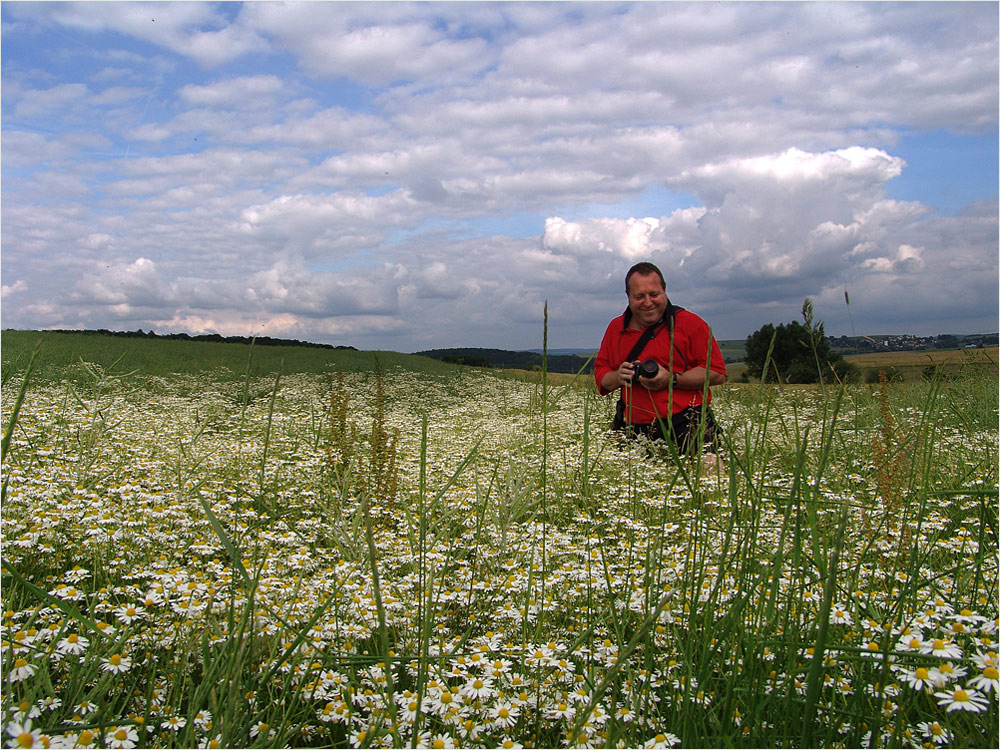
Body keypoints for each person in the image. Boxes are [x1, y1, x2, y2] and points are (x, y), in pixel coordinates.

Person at [595, 261, 726, 461]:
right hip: (634, 427)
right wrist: (618, 376)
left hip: (689, 421)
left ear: (664, 291)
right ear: (628, 296)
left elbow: (716, 373)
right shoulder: (616, 328)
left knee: (710, 474)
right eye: (639, 296)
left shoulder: (691, 324)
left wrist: (671, 379)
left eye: (654, 294)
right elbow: (602, 376)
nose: (648, 302)